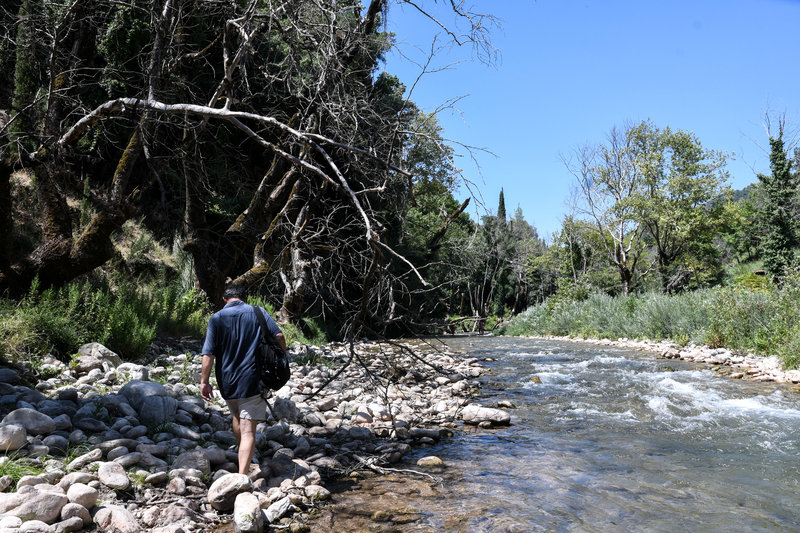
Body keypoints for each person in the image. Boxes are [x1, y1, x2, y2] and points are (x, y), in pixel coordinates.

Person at [200, 284, 287, 475]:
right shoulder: (258, 312)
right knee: (249, 432)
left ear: (224, 300)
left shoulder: (216, 318)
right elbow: (279, 335)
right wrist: (282, 356)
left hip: (227, 381)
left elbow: (208, 354)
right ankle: (242, 476)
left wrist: (204, 382)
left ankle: (243, 456)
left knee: (237, 416)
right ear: (244, 298)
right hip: (253, 379)